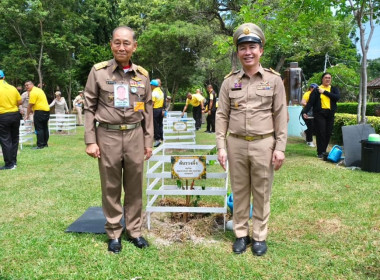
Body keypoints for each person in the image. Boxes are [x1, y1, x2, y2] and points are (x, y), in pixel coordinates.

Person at [216, 23, 287, 256]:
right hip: (235, 143)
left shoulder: (274, 80)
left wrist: (280, 148)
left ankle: (259, 236)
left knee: (262, 190)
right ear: (238, 52)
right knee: (239, 191)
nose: (248, 52)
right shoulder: (229, 82)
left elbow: (280, 115)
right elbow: (222, 115)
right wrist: (220, 146)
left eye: (252, 47)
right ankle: (241, 235)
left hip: (264, 143)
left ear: (261, 50)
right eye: (243, 47)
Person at [84, 26, 153, 254]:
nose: (121, 47)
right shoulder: (99, 72)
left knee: (134, 186)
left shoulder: (142, 75)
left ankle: (134, 231)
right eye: (117, 42)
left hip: (134, 135)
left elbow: (148, 111)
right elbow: (89, 107)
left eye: (126, 43)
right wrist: (90, 140)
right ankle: (114, 232)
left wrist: (148, 141)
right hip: (108, 135)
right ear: (111, 45)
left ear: (134, 46)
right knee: (111, 186)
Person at [302, 72, 340, 158]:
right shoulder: (317, 90)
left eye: (329, 78)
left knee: (328, 133)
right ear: (322, 79)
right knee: (321, 132)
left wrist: (324, 92)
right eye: (326, 77)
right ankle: (320, 152)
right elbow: (310, 102)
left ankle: (324, 150)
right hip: (320, 114)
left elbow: (337, 97)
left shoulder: (334, 89)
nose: (327, 79)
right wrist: (305, 112)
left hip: (330, 113)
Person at [0, 70, 22, 170]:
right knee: (14, 138)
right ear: (4, 77)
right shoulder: (12, 87)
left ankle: (9, 164)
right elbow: (20, 101)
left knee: (5, 140)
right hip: (15, 115)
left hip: (3, 116)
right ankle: (14, 162)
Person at [25, 80, 50, 149]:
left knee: (39, 128)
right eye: (25, 85)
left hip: (40, 112)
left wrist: (27, 115)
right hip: (46, 111)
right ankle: (45, 143)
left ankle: (40, 145)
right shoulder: (39, 90)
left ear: (32, 84)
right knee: (45, 127)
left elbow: (30, 105)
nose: (26, 87)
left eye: (28, 85)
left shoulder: (33, 92)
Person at [151, 79, 164, 147]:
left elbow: (152, 103)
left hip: (155, 110)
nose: (150, 86)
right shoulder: (161, 91)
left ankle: (157, 139)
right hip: (160, 109)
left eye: (151, 85)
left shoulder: (153, 92)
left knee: (155, 125)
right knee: (160, 124)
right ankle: (161, 137)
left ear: (153, 85)